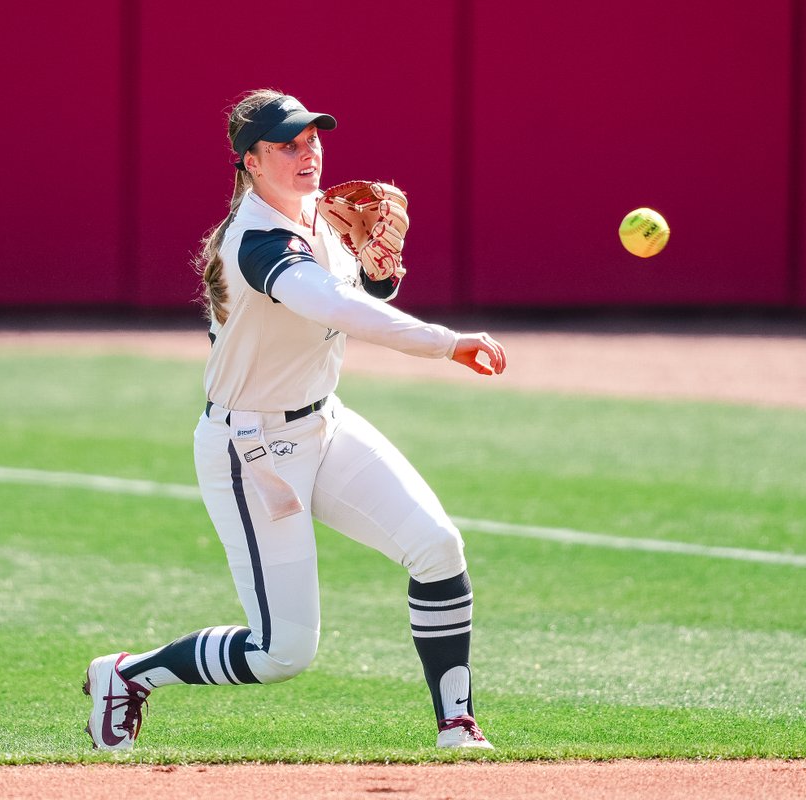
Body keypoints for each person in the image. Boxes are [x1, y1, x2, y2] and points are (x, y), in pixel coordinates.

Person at [84, 89, 507, 751]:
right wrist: (443, 342)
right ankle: (128, 675)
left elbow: (356, 292)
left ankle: (457, 723)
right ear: (250, 161)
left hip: (324, 425)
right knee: (282, 652)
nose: (308, 151)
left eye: (312, 138)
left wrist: (379, 271)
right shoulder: (257, 242)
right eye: (288, 143)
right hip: (250, 449)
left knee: (438, 548)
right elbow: (330, 306)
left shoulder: (321, 213)